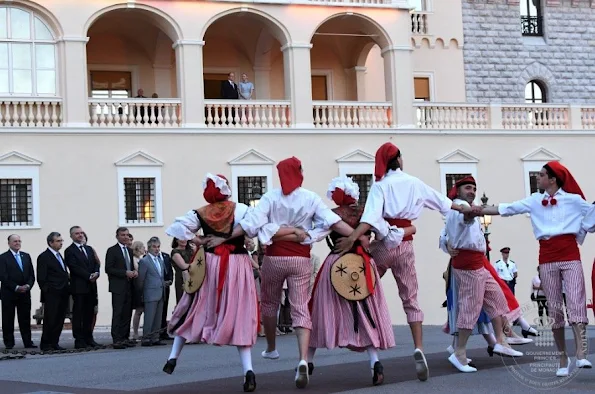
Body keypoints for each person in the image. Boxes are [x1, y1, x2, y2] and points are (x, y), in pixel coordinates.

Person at [205, 157, 356, 389]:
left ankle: (271, 348)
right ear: (299, 173)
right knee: (300, 308)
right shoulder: (311, 198)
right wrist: (357, 237)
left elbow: (250, 226)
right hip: (300, 259)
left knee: (269, 303)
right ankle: (303, 359)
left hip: (274, 258)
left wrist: (224, 237)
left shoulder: (271, 197)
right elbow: (335, 223)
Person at [334, 142, 472, 381]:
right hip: (405, 246)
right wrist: (472, 209)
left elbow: (369, 219)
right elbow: (445, 203)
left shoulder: (380, 187)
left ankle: (364, 338)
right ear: (398, 160)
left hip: (383, 247)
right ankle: (418, 347)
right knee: (411, 298)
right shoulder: (414, 182)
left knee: (361, 289)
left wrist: (351, 239)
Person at [478, 161, 592, 376]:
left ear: (553, 179)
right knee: (555, 309)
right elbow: (507, 208)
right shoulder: (534, 201)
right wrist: (478, 211)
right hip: (547, 258)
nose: (538, 178)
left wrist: (584, 227)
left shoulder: (574, 201)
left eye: (541, 175)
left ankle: (581, 354)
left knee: (577, 303)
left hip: (570, 256)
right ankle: (562, 358)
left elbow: (593, 214)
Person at [309, 176, 414, 385]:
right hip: (363, 265)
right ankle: (374, 362)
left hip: (336, 264)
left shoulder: (332, 215)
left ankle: (306, 361)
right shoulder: (368, 213)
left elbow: (316, 235)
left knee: (321, 311)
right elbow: (387, 234)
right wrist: (406, 231)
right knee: (367, 312)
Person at [163, 173, 258, 393]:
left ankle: (173, 357)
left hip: (211, 262)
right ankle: (248, 371)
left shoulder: (200, 212)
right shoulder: (241, 209)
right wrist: (232, 236)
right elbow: (254, 227)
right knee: (239, 312)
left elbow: (178, 230)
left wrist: (200, 240)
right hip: (238, 263)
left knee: (196, 306)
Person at [439, 176, 523, 372]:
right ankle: (459, 353)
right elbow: (466, 217)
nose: (472, 191)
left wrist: (447, 243)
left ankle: (501, 341)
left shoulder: (465, 207)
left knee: (497, 298)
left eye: (474, 188)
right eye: (468, 188)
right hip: (468, 266)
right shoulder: (459, 207)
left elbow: (447, 234)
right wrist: (475, 213)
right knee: (470, 309)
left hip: (478, 264)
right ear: (458, 190)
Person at [64, 226, 100, 349]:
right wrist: (88, 276)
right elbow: (74, 267)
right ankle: (79, 340)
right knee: (79, 314)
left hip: (91, 287)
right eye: (77, 233)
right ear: (72, 236)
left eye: (81, 233)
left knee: (89, 313)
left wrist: (96, 273)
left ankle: (89, 337)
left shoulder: (89, 249)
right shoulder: (69, 250)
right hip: (79, 287)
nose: (80, 235)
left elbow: (96, 263)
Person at [0, 234, 36, 349]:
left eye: (19, 241)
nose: (17, 243)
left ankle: (27, 342)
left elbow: (31, 274)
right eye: (15, 241)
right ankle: (9, 343)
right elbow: (3, 276)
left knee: (25, 319)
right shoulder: (3, 258)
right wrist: (16, 287)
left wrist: (28, 285)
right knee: (8, 319)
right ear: (9, 243)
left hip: (25, 293)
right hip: (9, 294)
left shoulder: (26, 256)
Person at [105, 227, 137, 349]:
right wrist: (125, 273)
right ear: (117, 236)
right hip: (118, 287)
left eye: (127, 235)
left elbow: (129, 266)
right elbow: (109, 269)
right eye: (122, 235)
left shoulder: (129, 250)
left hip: (129, 286)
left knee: (127, 313)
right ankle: (117, 339)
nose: (125, 237)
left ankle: (125, 337)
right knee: (118, 313)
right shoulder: (112, 250)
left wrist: (134, 272)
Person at [37, 232, 70, 351]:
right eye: (58, 241)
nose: (61, 243)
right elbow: (41, 277)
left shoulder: (59, 255)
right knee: (50, 318)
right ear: (51, 242)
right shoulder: (44, 256)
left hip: (63, 292)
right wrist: (48, 291)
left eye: (61, 241)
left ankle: (54, 342)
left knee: (59, 319)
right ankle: (46, 343)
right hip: (52, 294)